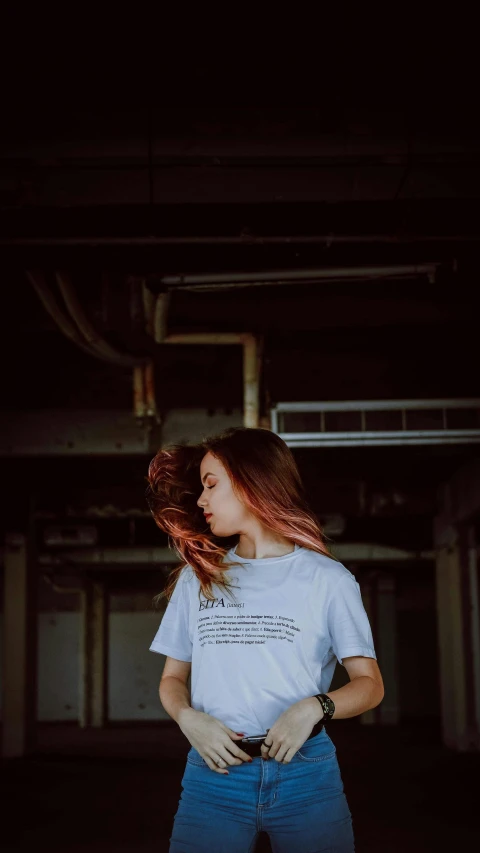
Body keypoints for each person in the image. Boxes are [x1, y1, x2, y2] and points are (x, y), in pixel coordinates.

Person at [147, 426, 384, 853]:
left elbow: (370, 684)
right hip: (213, 775)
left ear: (251, 481)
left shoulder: (328, 579)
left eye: (211, 485)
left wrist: (315, 707)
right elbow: (171, 679)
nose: (201, 500)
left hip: (306, 775)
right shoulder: (196, 580)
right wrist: (187, 718)